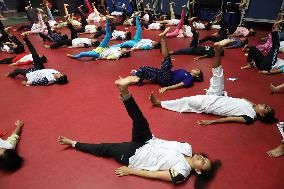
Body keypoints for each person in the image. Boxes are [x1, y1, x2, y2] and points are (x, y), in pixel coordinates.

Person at [58, 75, 221, 186]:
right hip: (148, 140)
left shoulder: (182, 173)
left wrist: (130, 171)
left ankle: (72, 143)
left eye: (203, 163)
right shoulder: (187, 147)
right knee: (140, 119)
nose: (202, 158)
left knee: (104, 148)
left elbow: (156, 175)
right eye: (205, 158)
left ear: (198, 171)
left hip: (135, 156)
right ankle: (123, 89)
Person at [149, 45, 278, 125]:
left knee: (186, 101)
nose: (263, 105)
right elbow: (244, 100)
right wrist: (254, 104)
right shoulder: (252, 106)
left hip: (211, 104)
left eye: (265, 108)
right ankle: (217, 50)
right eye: (266, 105)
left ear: (261, 115)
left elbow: (229, 119)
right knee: (219, 75)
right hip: (220, 96)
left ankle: (159, 103)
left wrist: (211, 121)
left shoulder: (249, 117)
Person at [132, 27, 203, 93]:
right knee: (143, 68)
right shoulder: (186, 72)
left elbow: (180, 85)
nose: (195, 68)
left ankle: (163, 38)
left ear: (197, 76)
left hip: (167, 80)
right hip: (163, 75)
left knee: (167, 60)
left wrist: (167, 88)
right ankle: (135, 80)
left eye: (197, 70)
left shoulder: (190, 78)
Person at [67, 19, 131, 60]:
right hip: (103, 47)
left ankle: (74, 57)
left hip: (99, 53)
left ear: (124, 53)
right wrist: (108, 46)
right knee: (107, 36)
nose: (125, 49)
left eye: (126, 50)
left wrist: (99, 58)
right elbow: (113, 46)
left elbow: (107, 57)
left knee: (83, 53)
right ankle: (107, 20)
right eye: (126, 49)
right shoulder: (119, 48)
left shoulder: (117, 55)